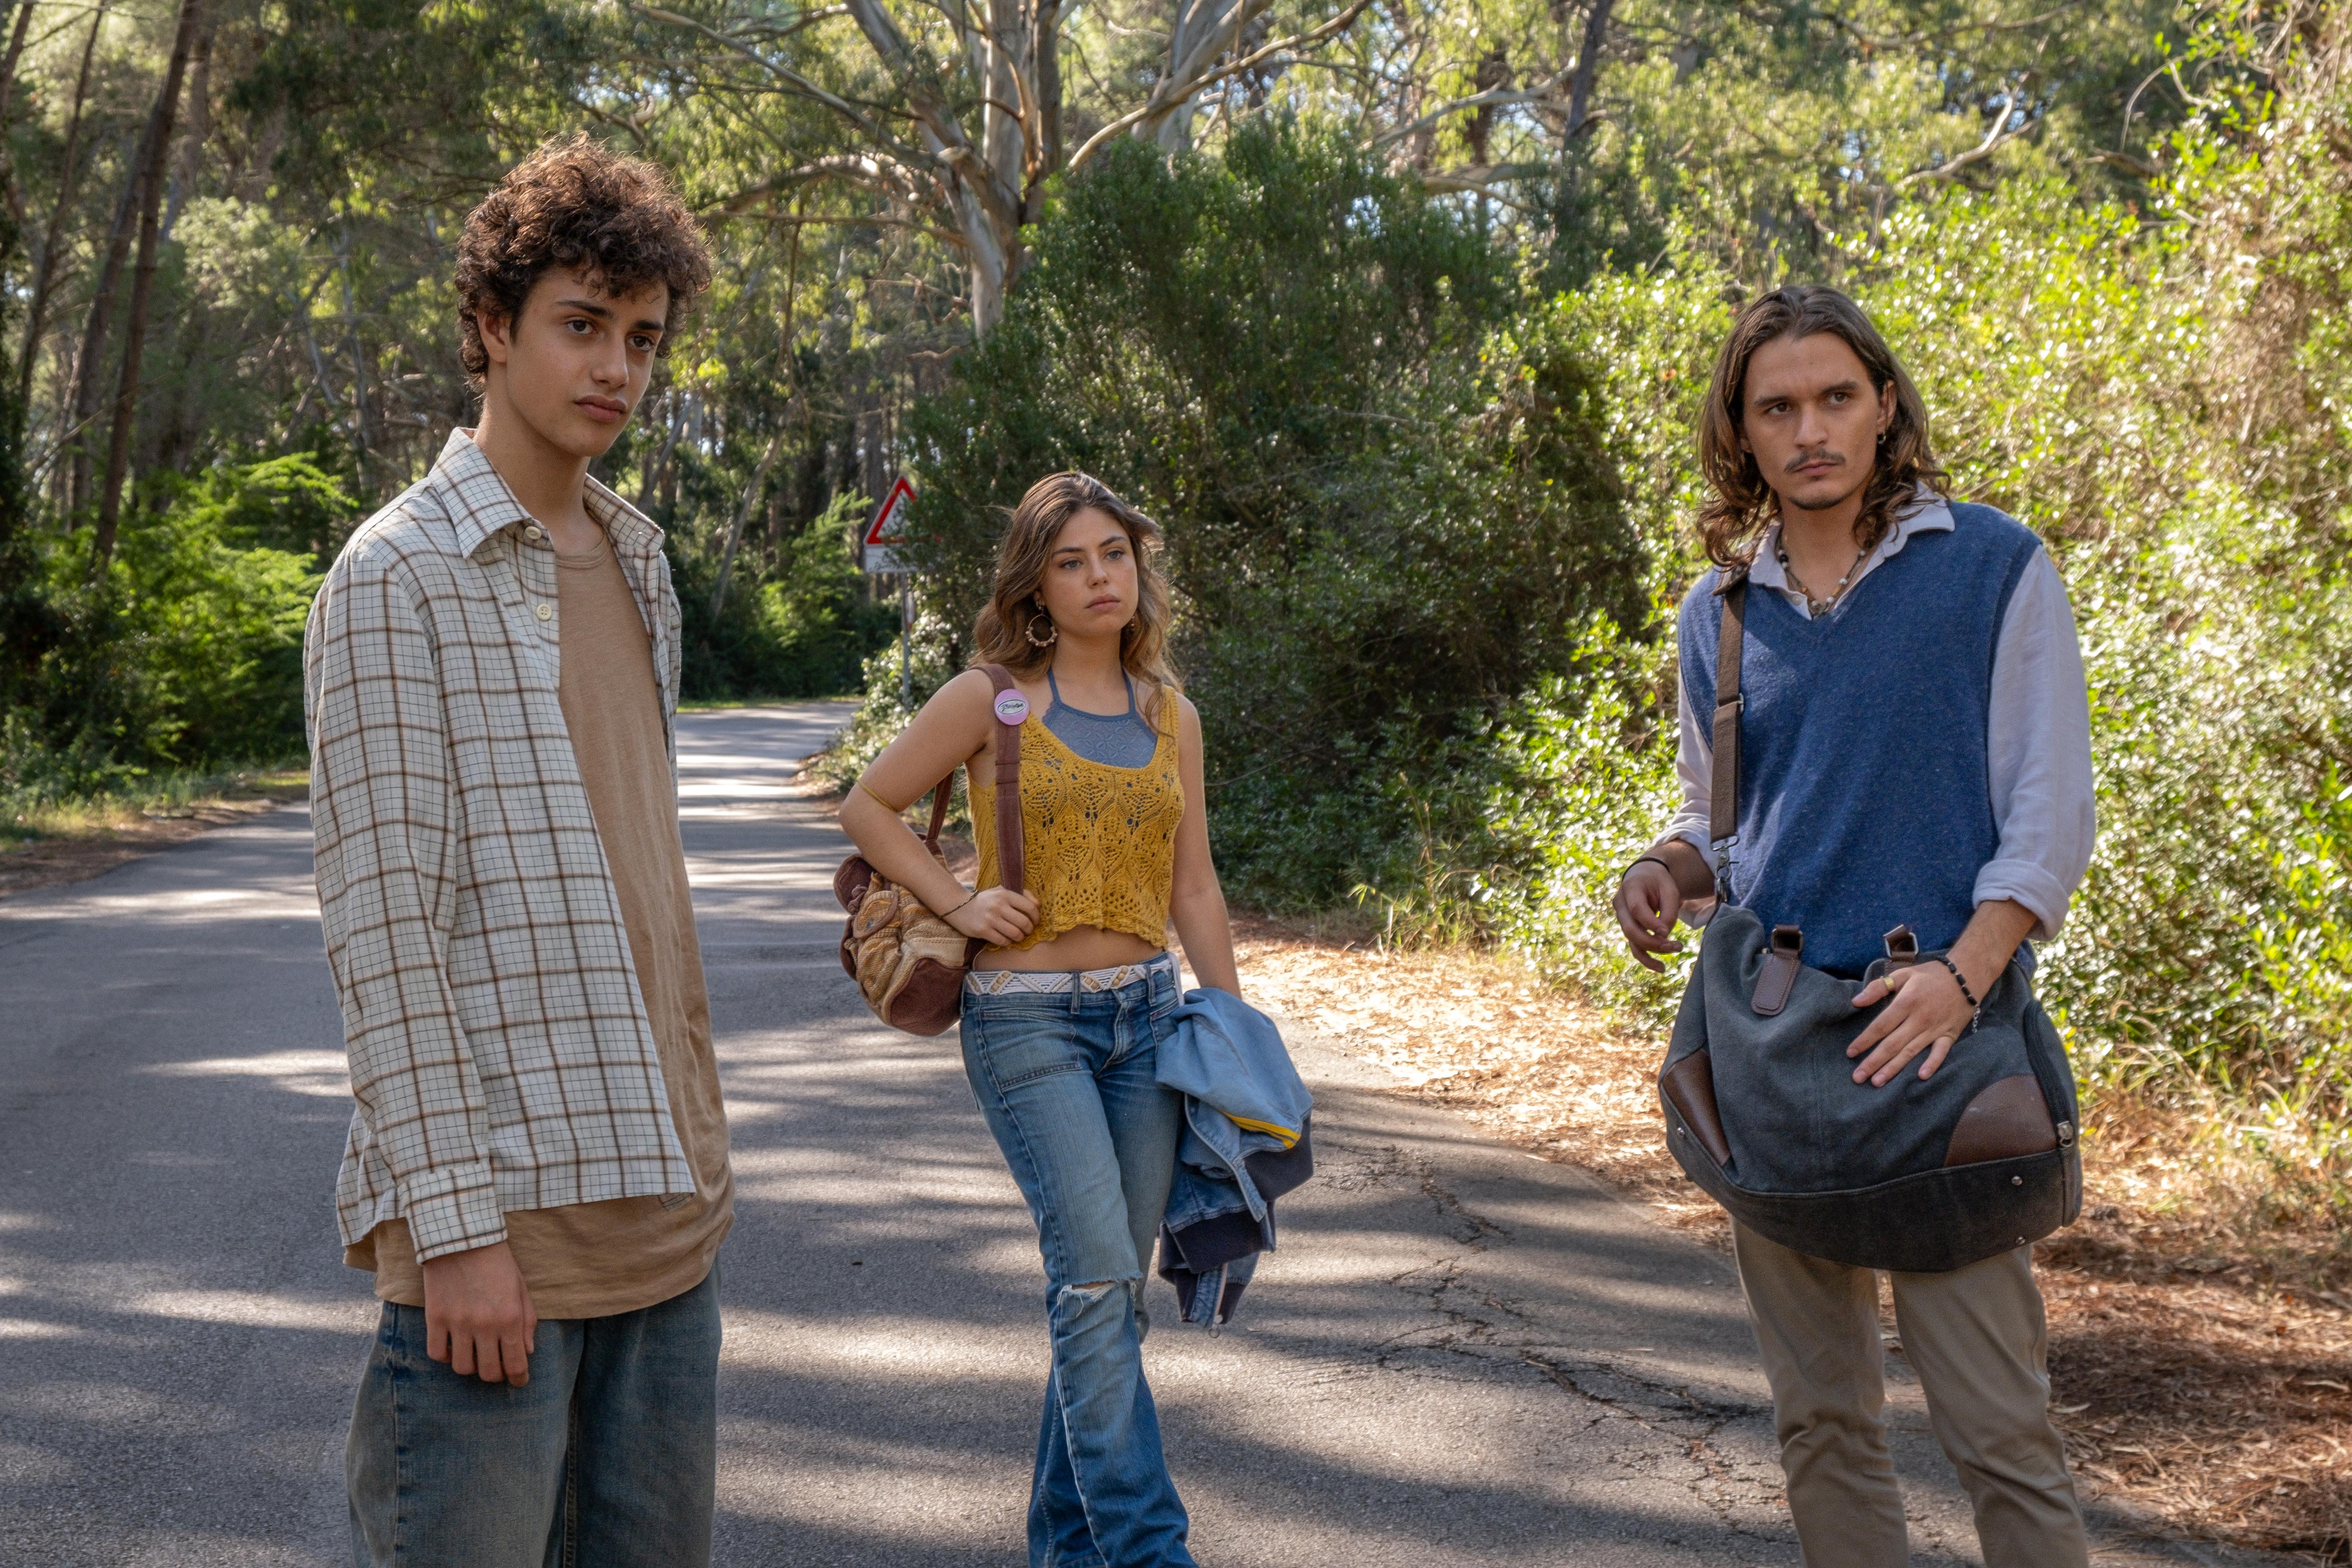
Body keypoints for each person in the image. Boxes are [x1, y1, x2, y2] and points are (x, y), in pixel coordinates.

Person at [1611, 285, 2097, 1568]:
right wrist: (1664, 866)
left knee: (1999, 1431)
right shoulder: (1717, 611)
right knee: (1822, 1423)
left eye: (1835, 397)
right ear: (1742, 430)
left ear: (1884, 405)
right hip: (1773, 1052)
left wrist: (1963, 977)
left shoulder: (1992, 566)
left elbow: (2048, 814)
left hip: (1939, 1041)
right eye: (1777, 407)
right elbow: (1722, 825)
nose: (1810, 429)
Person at [303, 136, 724, 1567]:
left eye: (642, 338)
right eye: (581, 325)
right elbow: (386, 937)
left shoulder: (641, 562)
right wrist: (457, 1234)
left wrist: (708, 1165)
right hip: (498, 1249)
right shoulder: (397, 576)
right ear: (492, 327)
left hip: (668, 1224)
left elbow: (642, 889)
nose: (616, 368)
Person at [839, 471, 1240, 1568]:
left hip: (1148, 1020)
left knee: (1109, 1299)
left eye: (1114, 553)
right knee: (1097, 1280)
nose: (1099, 576)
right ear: (1036, 585)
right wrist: (960, 900)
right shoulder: (991, 698)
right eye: (1071, 561)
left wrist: (1233, 1028)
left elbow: (1194, 884)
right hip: (1026, 1024)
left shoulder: (1171, 715)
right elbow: (869, 804)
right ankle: (1151, 1550)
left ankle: (1065, 1545)